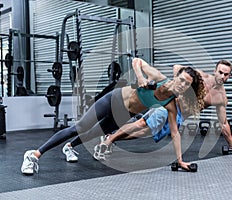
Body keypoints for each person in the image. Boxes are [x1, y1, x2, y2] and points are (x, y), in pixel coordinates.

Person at [21, 58, 204, 175]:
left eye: (187, 85)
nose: (182, 85)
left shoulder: (171, 104)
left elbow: (175, 133)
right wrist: (140, 78)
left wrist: (180, 161)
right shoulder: (160, 79)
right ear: (176, 77)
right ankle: (34, 155)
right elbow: (137, 61)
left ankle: (69, 146)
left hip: (125, 114)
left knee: (93, 134)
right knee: (80, 127)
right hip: (112, 100)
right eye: (181, 80)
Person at [63, 59, 232, 162]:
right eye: (220, 72)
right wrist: (177, 87)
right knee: (142, 124)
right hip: (169, 105)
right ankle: (108, 142)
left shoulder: (221, 98)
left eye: (226, 74)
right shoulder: (200, 76)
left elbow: (223, 122)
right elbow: (177, 68)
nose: (222, 77)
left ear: (229, 76)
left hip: (179, 117)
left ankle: (110, 137)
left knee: (144, 132)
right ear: (215, 70)